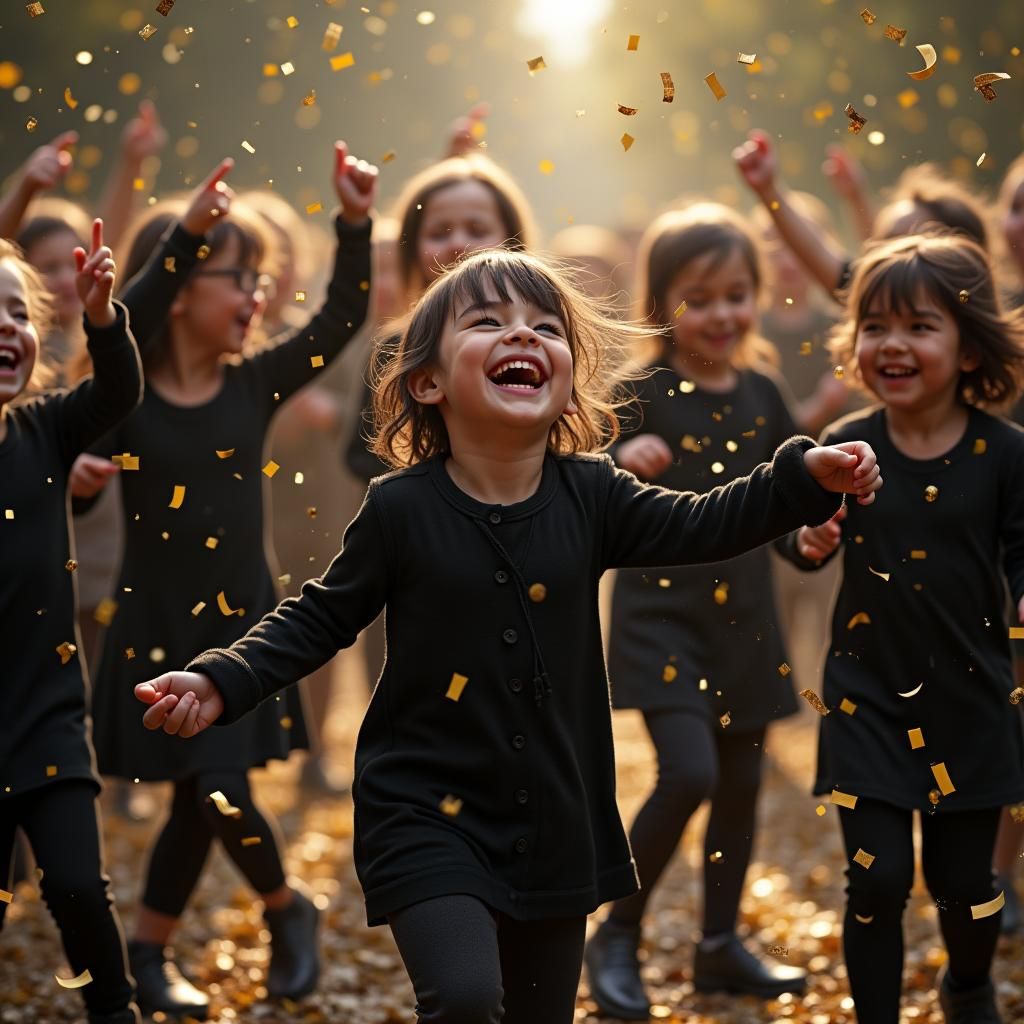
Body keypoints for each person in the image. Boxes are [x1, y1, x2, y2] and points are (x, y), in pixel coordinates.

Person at [134, 248, 881, 1024]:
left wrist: (800, 477)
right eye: (488, 322)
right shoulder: (401, 510)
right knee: (462, 999)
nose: (522, 336)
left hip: (555, 815)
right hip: (422, 806)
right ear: (428, 382)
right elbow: (321, 615)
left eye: (545, 327)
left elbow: (706, 520)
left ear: (567, 383)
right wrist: (222, 679)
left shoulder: (593, 495)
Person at [73, 145, 377, 1019]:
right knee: (196, 791)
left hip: (238, 625)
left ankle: (171, 942)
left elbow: (340, 314)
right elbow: (117, 325)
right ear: (180, 292)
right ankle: (275, 914)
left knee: (213, 781)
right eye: (233, 277)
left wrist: (352, 223)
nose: (254, 297)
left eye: (258, 279)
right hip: (151, 617)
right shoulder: (124, 389)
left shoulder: (255, 382)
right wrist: (183, 240)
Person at [781, 233, 1024, 1024]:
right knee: (877, 878)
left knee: (966, 887)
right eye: (876, 325)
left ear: (967, 344)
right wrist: (808, 539)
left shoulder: (1004, 453)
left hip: (971, 702)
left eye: (920, 326)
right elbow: (803, 535)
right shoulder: (848, 449)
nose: (893, 343)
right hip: (866, 701)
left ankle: (969, 985)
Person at [585, 203, 808, 1019]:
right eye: (699, 297)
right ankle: (617, 934)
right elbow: (578, 482)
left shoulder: (764, 392)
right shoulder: (638, 391)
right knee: (689, 771)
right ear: (660, 303)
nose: (720, 314)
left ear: (757, 295)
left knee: (741, 786)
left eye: (735, 294)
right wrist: (617, 457)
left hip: (747, 621)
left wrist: (808, 541)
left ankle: (717, 945)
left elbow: (790, 501)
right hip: (659, 620)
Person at [0, 222, 143, 1024]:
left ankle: (115, 1009)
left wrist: (101, 316)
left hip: (48, 719)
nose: (7, 328)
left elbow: (118, 394)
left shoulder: (43, 429)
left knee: (79, 886)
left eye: (18, 313)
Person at [342, 151, 539, 695]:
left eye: (477, 228)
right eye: (439, 230)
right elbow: (359, 454)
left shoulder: (540, 344)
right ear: (410, 250)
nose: (457, 243)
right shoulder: (392, 348)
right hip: (419, 562)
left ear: (513, 242)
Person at [733, 130, 992, 296]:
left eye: (907, 245)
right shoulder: (876, 300)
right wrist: (768, 191)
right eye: (884, 245)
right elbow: (820, 257)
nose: (887, 258)